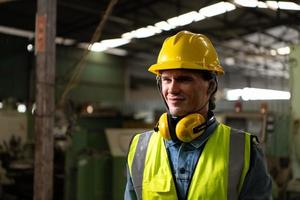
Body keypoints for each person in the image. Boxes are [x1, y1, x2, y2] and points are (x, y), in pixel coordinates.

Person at [124, 30, 272, 200]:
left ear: (210, 87)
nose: (172, 89)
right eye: (166, 79)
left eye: (184, 79)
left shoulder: (244, 151)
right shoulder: (139, 149)